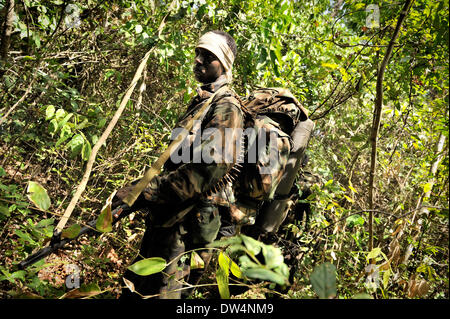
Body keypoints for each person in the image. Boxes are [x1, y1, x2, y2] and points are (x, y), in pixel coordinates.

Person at [113, 30, 245, 299]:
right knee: (137, 289)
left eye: (208, 57)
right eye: (198, 53)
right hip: (171, 219)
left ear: (224, 65)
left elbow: (208, 169)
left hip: (189, 229)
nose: (198, 60)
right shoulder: (204, 102)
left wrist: (145, 191)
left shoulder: (227, 107)